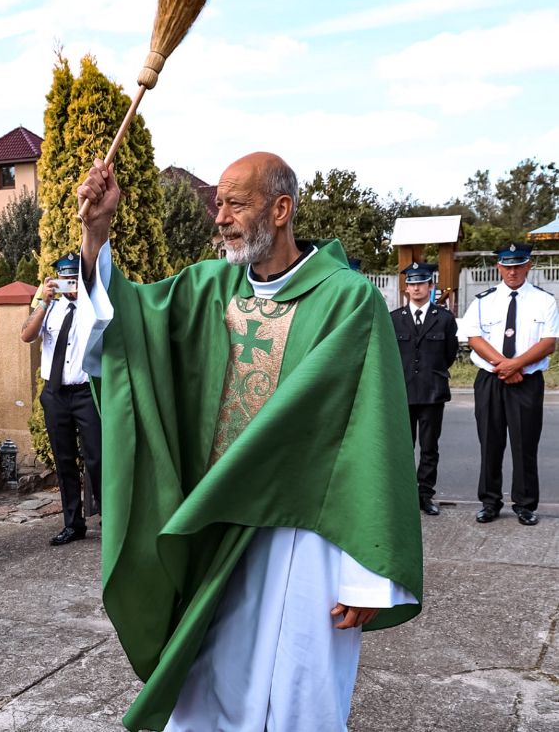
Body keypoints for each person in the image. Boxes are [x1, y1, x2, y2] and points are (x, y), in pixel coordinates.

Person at [75, 153, 422, 731]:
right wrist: (96, 234)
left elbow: (372, 429)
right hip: (218, 522)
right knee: (209, 680)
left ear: (280, 209)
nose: (221, 218)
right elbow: (128, 324)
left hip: (304, 533)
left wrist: (365, 573)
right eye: (219, 204)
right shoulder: (206, 288)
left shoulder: (347, 300)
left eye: (236, 203)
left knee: (299, 689)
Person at [463, 243, 559, 526]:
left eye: (519, 265)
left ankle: (526, 504)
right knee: (490, 443)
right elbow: (474, 338)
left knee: (524, 443)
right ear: (498, 267)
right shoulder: (483, 300)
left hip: (526, 382)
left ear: (529, 266)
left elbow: (548, 343)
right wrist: (504, 366)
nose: (513, 271)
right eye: (507, 265)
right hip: (491, 380)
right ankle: (490, 502)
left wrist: (516, 366)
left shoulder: (545, 301)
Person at [20, 252, 102, 545]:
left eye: (73, 277)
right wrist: (43, 301)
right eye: (64, 277)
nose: (69, 283)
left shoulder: (93, 308)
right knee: (64, 460)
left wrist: (87, 294)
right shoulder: (49, 308)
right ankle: (73, 523)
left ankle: (109, 519)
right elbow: (27, 335)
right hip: (55, 393)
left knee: (97, 458)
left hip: (85, 393)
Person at [391, 262, 458, 516]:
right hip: (403, 392)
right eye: (411, 283)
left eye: (421, 282)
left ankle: (425, 494)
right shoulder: (394, 319)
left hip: (432, 392)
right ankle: (405, 495)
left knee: (430, 448)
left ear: (431, 286)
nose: (416, 287)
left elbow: (448, 354)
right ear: (406, 288)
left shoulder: (444, 319)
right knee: (403, 447)